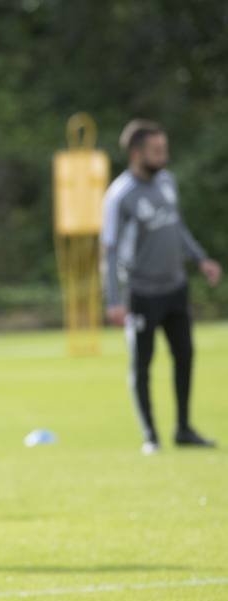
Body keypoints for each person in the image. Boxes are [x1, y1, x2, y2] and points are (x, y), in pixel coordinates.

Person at [102, 119, 221, 453]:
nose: (164, 156)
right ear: (137, 153)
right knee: (142, 364)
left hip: (175, 288)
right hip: (140, 292)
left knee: (184, 357)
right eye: (157, 151)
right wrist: (113, 300)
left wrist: (201, 258)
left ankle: (183, 429)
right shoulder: (120, 196)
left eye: (164, 149)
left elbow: (176, 225)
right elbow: (109, 251)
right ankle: (151, 436)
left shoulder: (167, 181)